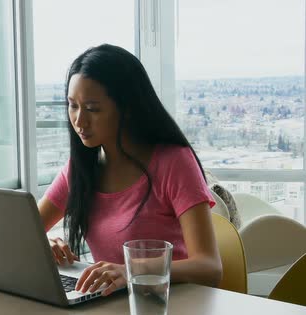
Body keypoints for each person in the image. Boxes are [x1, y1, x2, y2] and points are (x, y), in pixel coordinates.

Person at [38, 44, 223, 297]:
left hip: (170, 306)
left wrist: (131, 270)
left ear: (127, 107)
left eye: (93, 109)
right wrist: (41, 243)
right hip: (111, 304)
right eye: (73, 106)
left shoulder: (174, 161)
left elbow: (209, 267)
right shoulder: (81, 168)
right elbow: (24, 229)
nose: (79, 121)